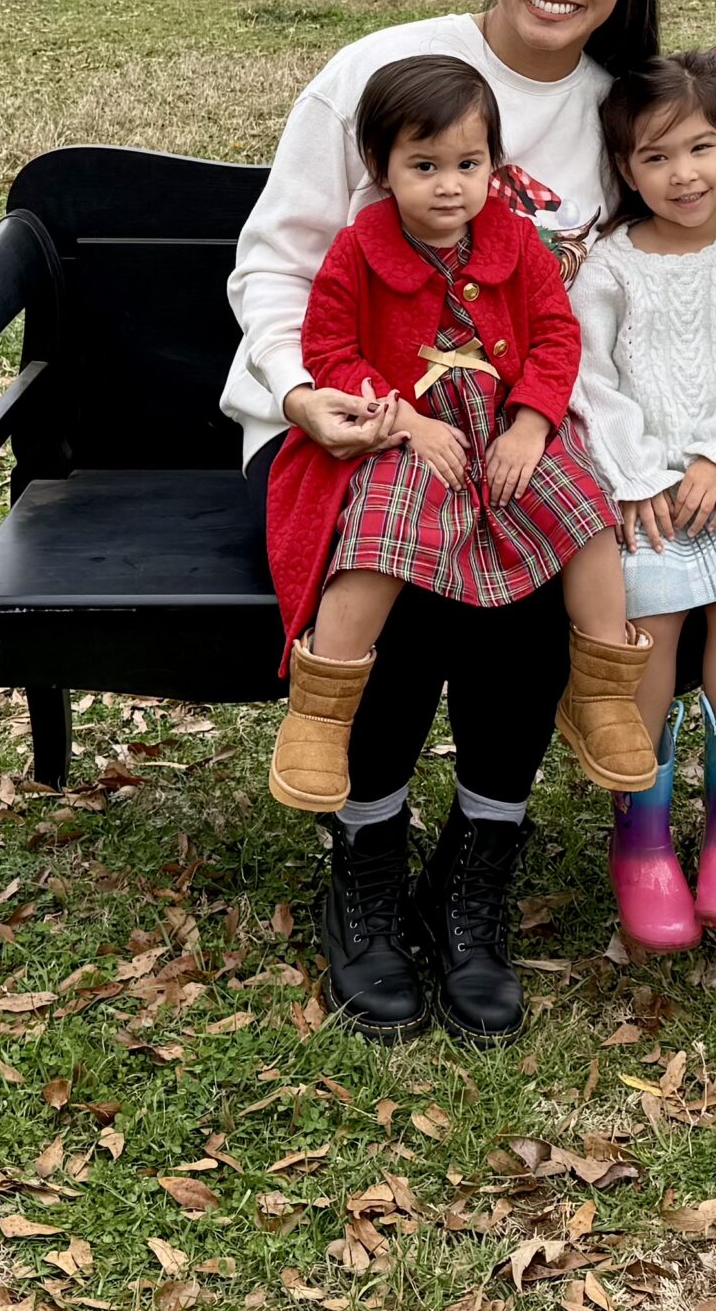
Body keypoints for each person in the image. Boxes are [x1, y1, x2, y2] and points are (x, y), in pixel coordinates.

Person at [222, 0, 658, 1045]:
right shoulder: (382, 70)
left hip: (516, 428)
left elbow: (617, 305)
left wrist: (559, 428)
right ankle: (365, 858)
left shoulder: (623, 112)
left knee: (521, 566)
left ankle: (479, 864)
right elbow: (276, 268)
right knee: (413, 566)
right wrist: (304, 394)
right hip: (352, 413)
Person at [263, 56, 657, 825]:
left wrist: (533, 424)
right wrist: (403, 423)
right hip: (403, 431)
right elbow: (329, 349)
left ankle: (602, 690)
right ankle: (323, 710)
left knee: (584, 509)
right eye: (425, 166)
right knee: (378, 531)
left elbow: (556, 337)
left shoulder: (517, 243)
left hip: (507, 423)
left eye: (468, 165)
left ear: (493, 164)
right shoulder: (358, 249)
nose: (449, 185)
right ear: (379, 166)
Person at [569, 54, 716, 950]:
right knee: (652, 623)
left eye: (700, 148)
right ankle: (643, 837)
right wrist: (634, 476)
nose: (683, 174)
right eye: (655, 158)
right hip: (642, 491)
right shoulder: (609, 268)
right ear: (626, 171)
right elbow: (589, 378)